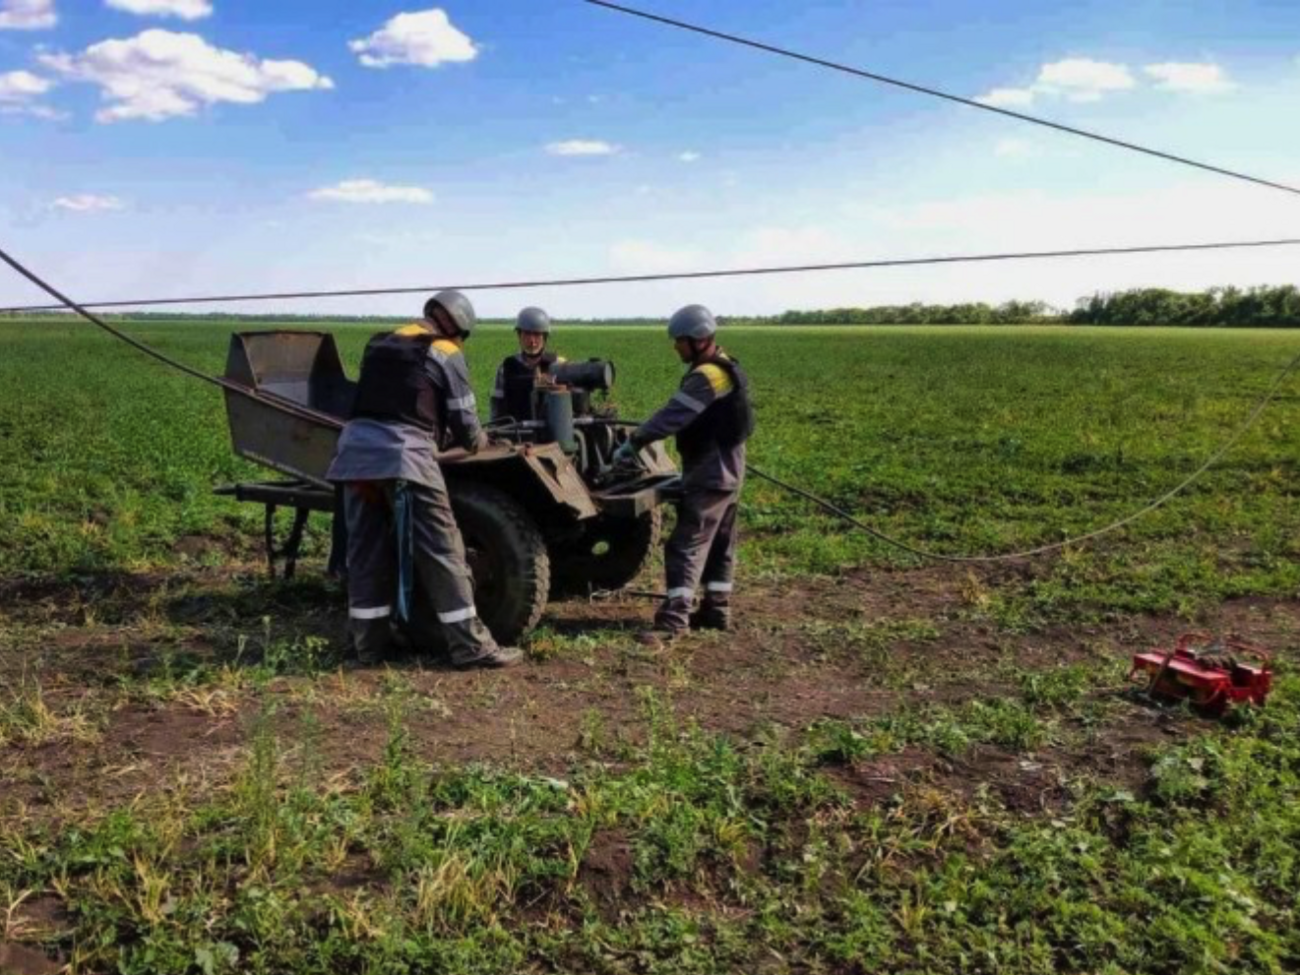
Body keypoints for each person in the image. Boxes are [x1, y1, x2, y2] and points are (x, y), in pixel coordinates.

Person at [326, 290, 522, 669]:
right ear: (459, 328)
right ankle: (471, 647)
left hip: (352, 456)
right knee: (444, 550)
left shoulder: (379, 342)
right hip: (405, 456)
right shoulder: (445, 351)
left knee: (365, 553)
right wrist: (484, 441)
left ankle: (369, 649)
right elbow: (466, 427)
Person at [613, 304, 754, 643]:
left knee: (685, 544)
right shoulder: (726, 365)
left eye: (679, 340)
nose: (675, 346)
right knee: (720, 542)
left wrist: (635, 442)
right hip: (731, 467)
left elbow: (673, 415)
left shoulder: (707, 376)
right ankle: (716, 609)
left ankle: (673, 622)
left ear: (697, 339)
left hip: (712, 470)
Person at [490, 306, 567, 423]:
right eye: (527, 334)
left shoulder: (559, 365)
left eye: (537, 335)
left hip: (550, 434)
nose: (532, 341)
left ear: (545, 337)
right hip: (515, 434)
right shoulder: (506, 367)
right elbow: (497, 405)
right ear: (519, 335)